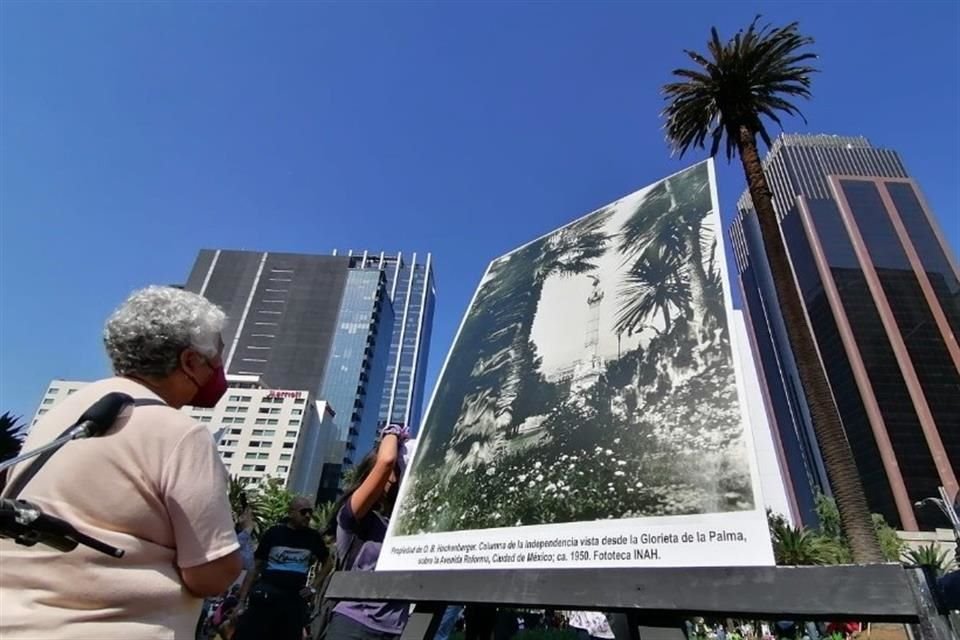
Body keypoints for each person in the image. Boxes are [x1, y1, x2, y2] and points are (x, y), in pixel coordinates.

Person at [0, 286, 242, 639]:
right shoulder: (182, 433)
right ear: (190, 362)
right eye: (217, 356)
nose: (219, 369)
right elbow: (211, 574)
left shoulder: (59, 417)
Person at [324, 424, 410, 640]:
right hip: (354, 625)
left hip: (396, 629)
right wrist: (393, 433)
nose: (399, 477)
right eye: (396, 472)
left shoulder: (402, 525)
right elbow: (386, 460)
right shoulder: (352, 515)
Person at [234, 496, 330, 640]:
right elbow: (255, 567)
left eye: (310, 512)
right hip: (266, 596)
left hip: (293, 601)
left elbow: (329, 563)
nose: (308, 516)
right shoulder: (274, 533)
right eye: (303, 512)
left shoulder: (313, 537)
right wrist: (241, 601)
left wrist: (313, 587)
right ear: (291, 513)